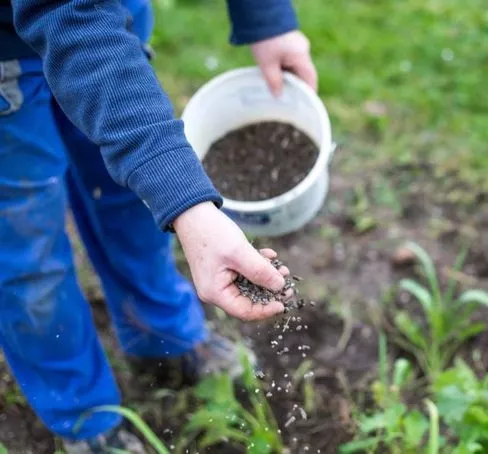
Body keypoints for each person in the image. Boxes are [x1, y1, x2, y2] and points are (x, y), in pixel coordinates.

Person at [0, 0, 318, 452]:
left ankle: (161, 336)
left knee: (130, 195)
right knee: (27, 248)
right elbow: (73, 19)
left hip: (111, 16)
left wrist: (266, 19)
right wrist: (189, 205)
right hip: (15, 50)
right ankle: (83, 415)